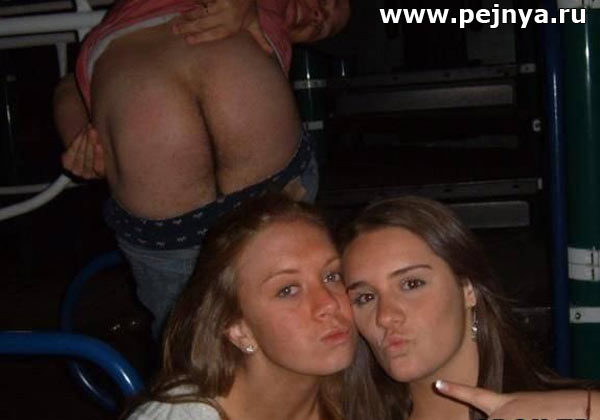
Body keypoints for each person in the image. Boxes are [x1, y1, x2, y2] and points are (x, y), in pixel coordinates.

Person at [53, 0, 350, 337]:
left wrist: (79, 141)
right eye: (328, 1)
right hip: (177, 236)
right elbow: (69, 88)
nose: (320, 15)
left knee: (301, 332)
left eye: (324, 28)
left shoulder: (266, 30)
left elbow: (67, 89)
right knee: (190, 346)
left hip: (273, 195)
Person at [340, 195, 599, 420]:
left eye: (411, 284)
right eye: (365, 297)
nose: (385, 316)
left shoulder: (566, 409)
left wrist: (580, 410)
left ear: (468, 288)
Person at [125, 193, 356, 420]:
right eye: (287, 290)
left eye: (332, 276)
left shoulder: (358, 389)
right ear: (238, 329)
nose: (329, 303)